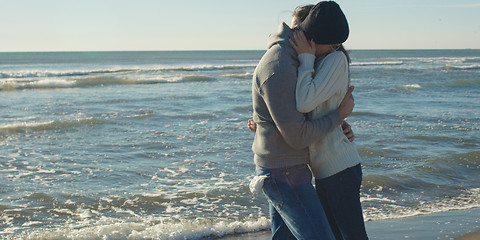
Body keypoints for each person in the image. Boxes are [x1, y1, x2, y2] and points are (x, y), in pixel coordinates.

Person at [250, 1, 355, 239]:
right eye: (333, 44)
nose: (334, 50)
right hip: (282, 171)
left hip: (289, 167)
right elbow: (297, 136)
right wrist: (339, 115)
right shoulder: (280, 65)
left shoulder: (293, 60)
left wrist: (340, 125)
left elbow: (296, 112)